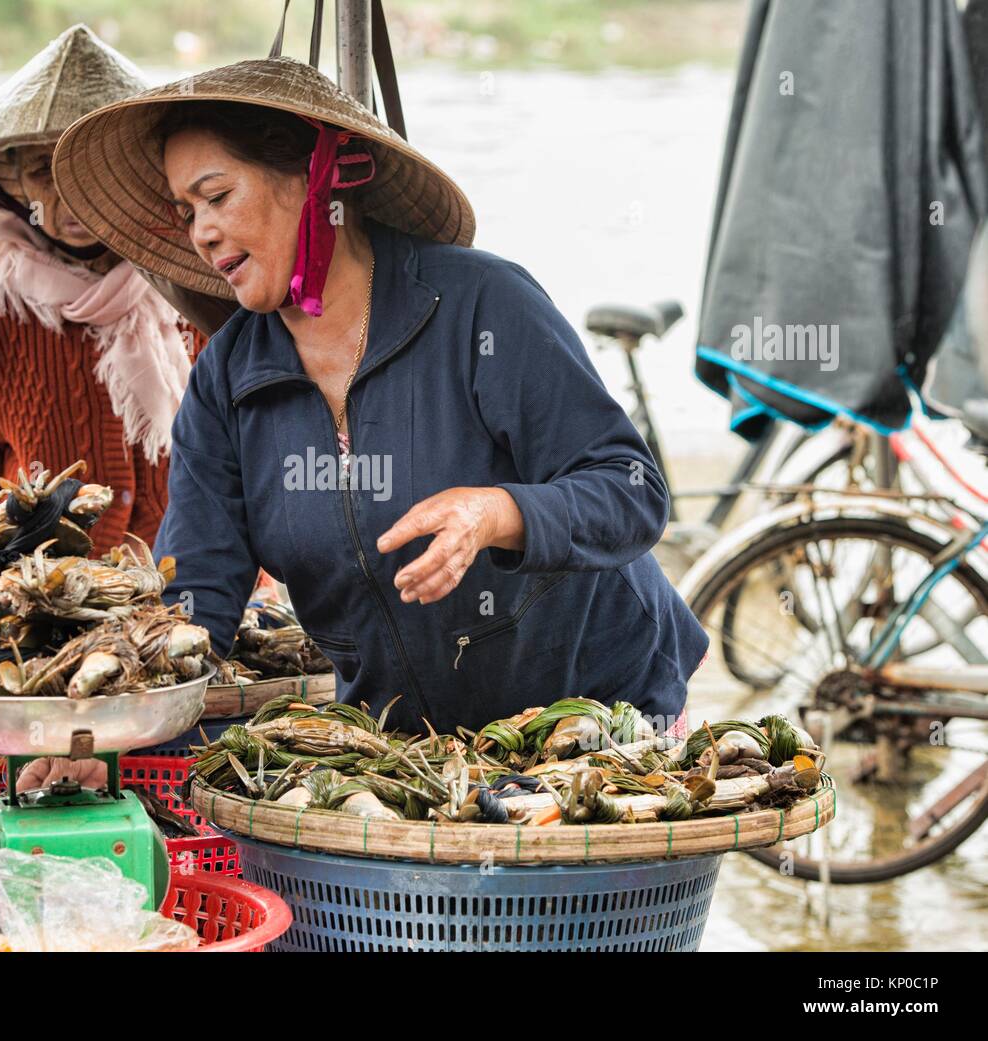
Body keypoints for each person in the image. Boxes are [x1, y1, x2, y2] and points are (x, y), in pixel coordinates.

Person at [51, 57, 709, 736]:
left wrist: (496, 511)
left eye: (217, 196)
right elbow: (199, 598)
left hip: (606, 714)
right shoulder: (227, 381)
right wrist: (95, 731)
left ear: (313, 178)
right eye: (186, 212)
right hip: (417, 747)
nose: (201, 232)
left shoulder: (480, 305)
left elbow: (631, 493)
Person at [0, 24, 206, 561]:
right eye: (45, 170)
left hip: (194, 590)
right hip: (47, 601)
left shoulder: (194, 288)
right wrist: (30, 595)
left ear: (131, 173)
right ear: (12, 180)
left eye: (92, 171)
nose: (69, 196)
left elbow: (242, 462)